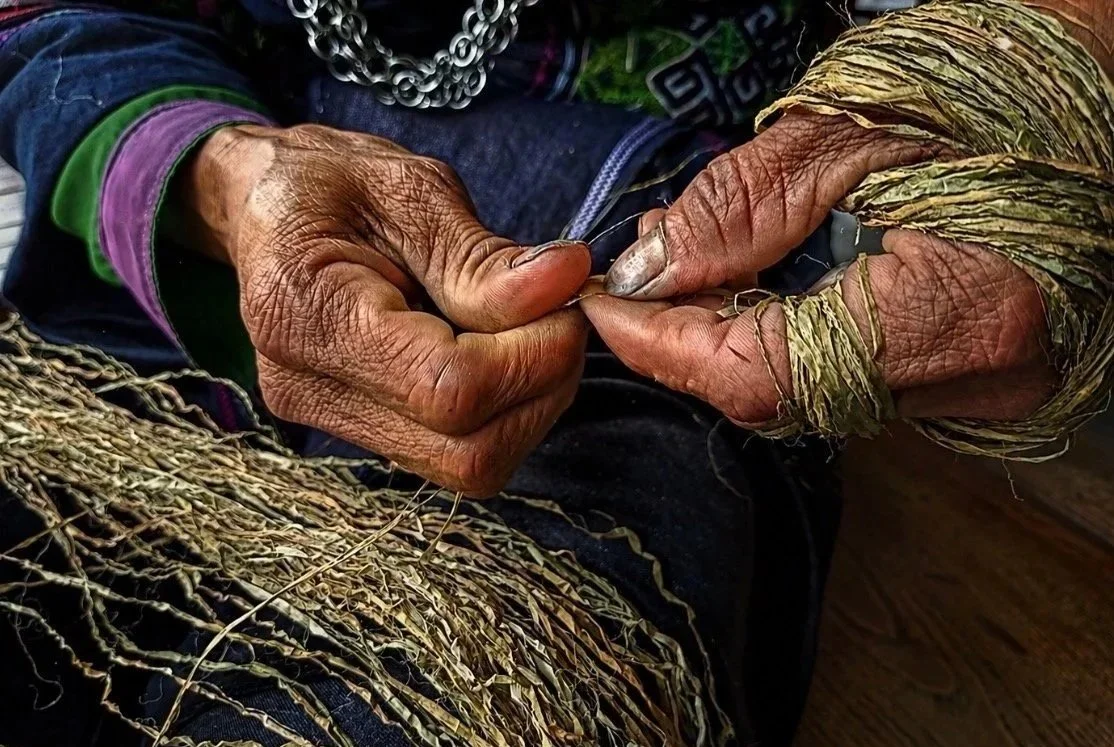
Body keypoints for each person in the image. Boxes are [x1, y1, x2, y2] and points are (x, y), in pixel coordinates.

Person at [0, 0, 1109, 745]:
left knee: (488, 698)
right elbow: (52, 23)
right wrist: (219, 175)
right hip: (187, 238)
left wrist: (1038, 87)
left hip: (674, 312)